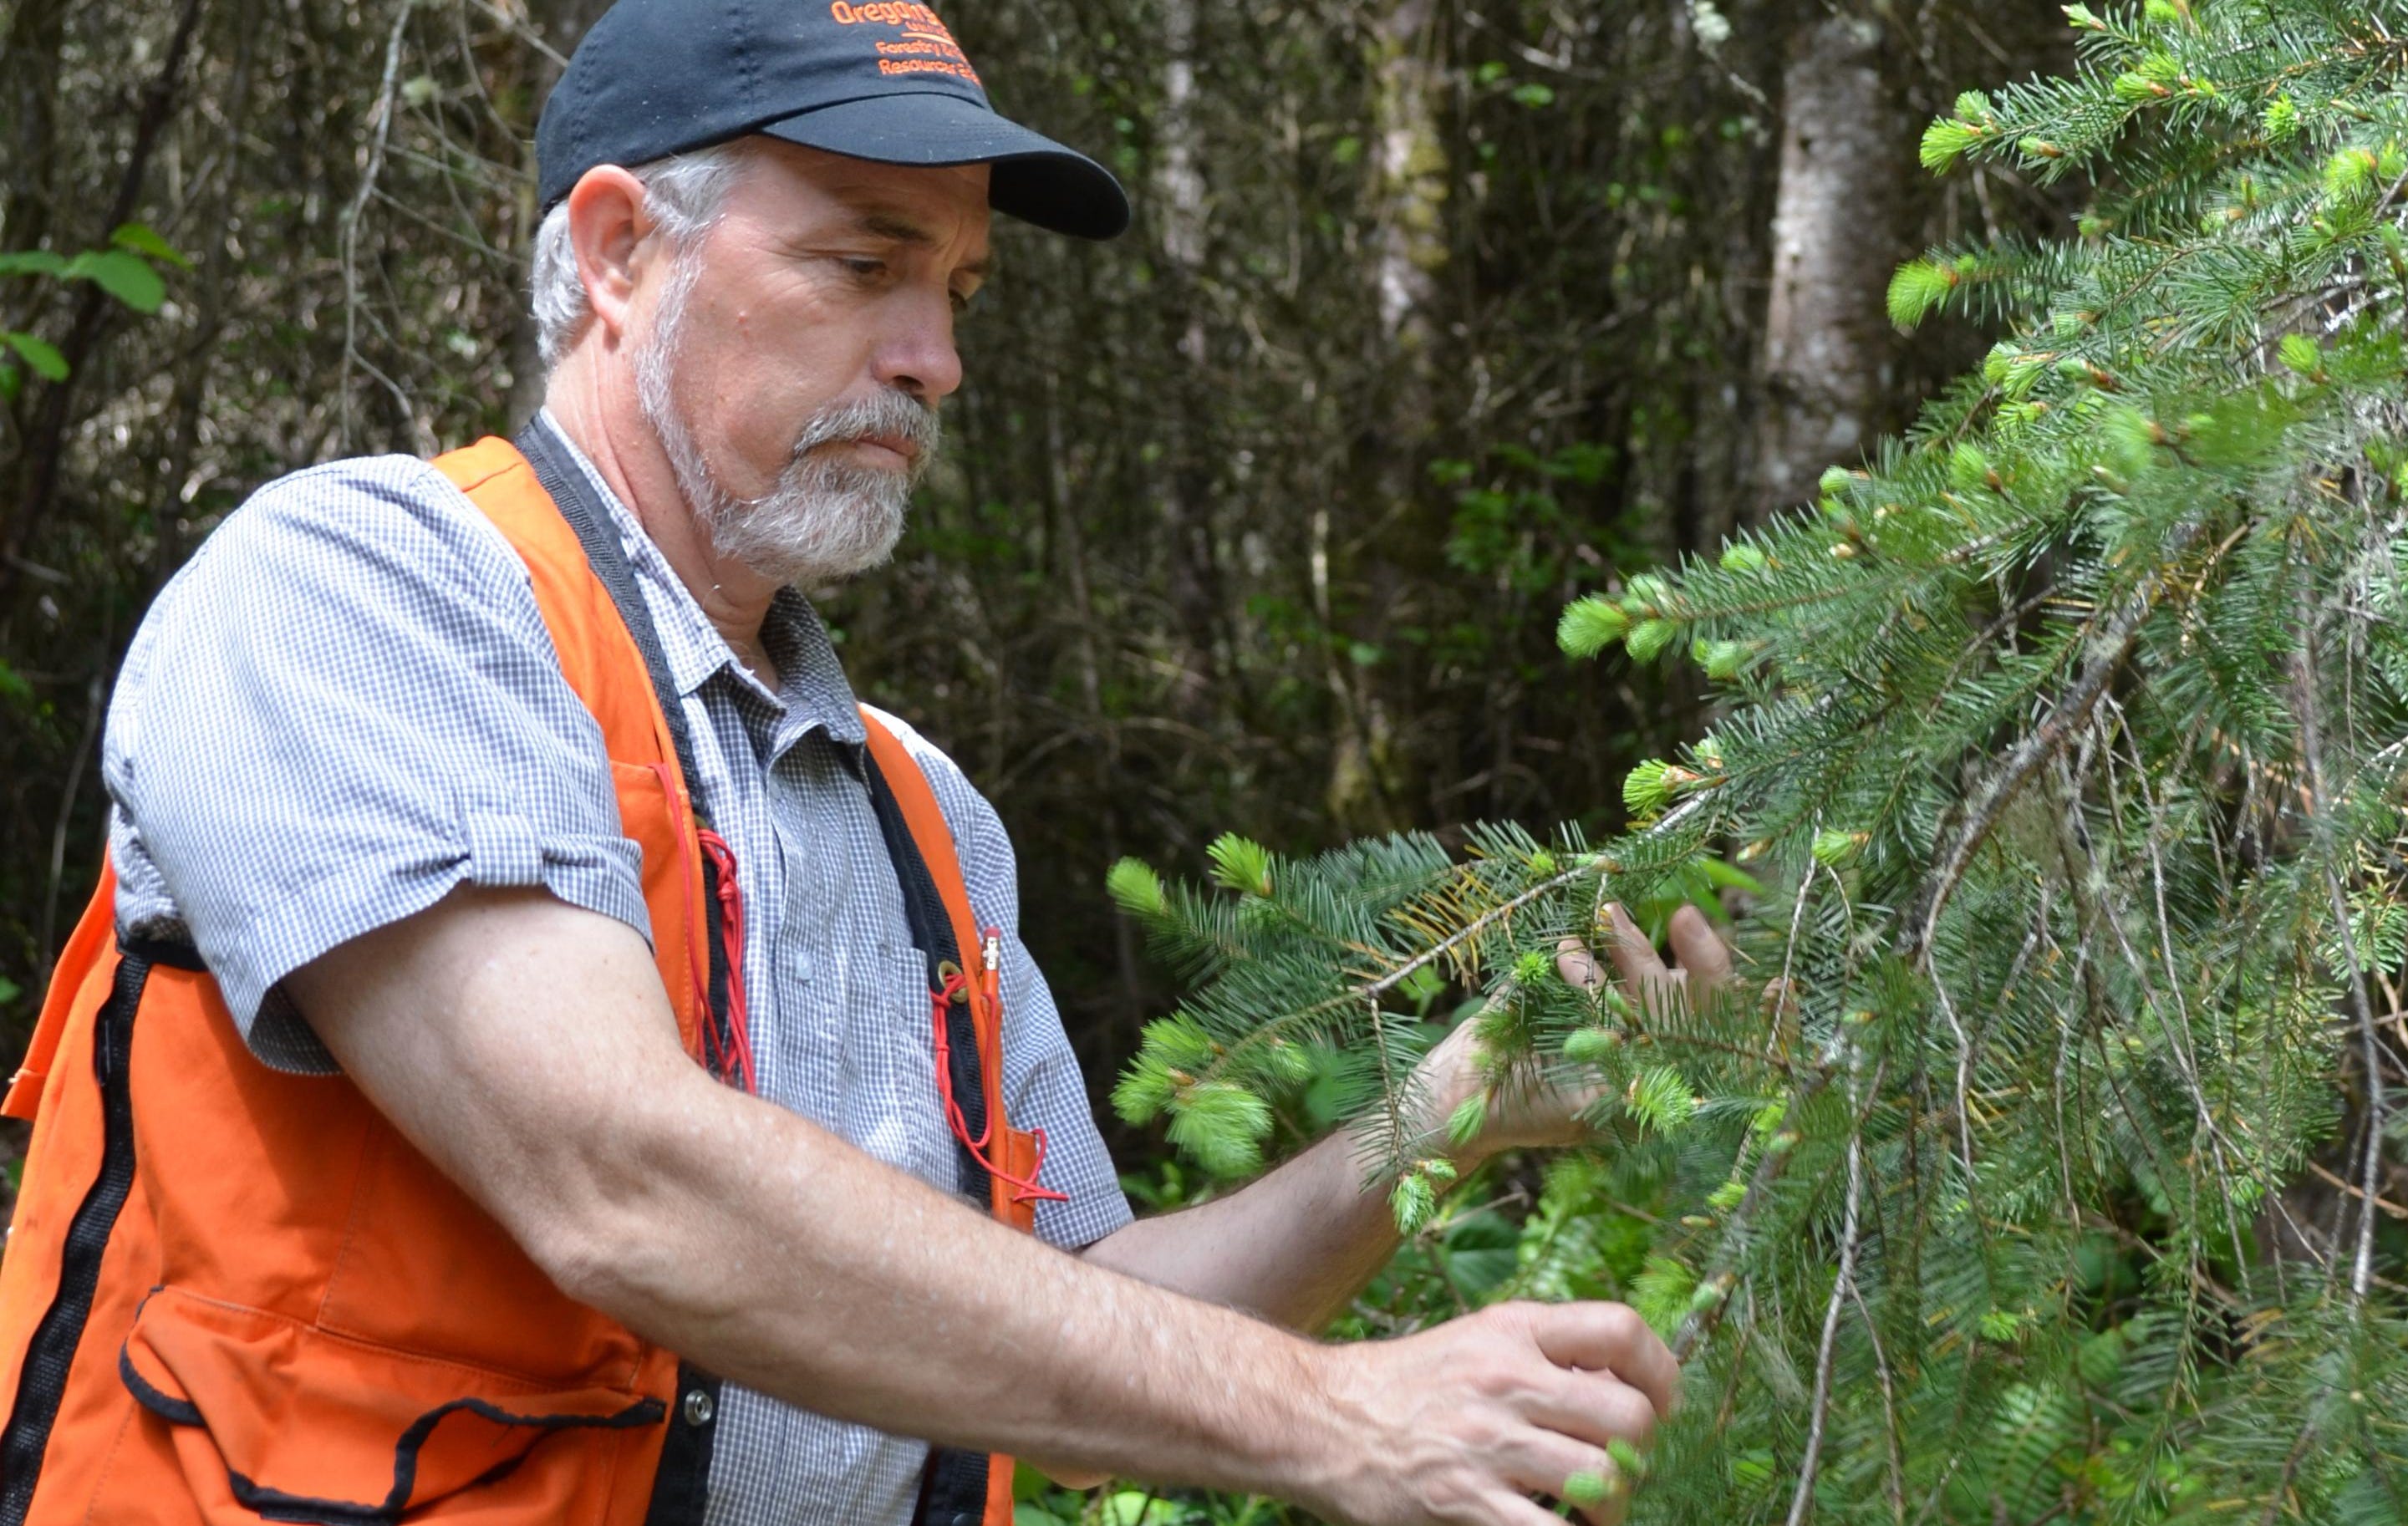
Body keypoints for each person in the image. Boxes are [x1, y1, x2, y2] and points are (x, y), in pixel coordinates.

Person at [0, 2, 1733, 1523]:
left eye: (959, 287)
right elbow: (620, 1176)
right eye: (865, 264)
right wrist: (1342, 1416)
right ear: (617, 251)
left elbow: (1096, 1305)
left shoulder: (921, 814)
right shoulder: (361, 590)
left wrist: (1447, 1111)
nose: (938, 358)